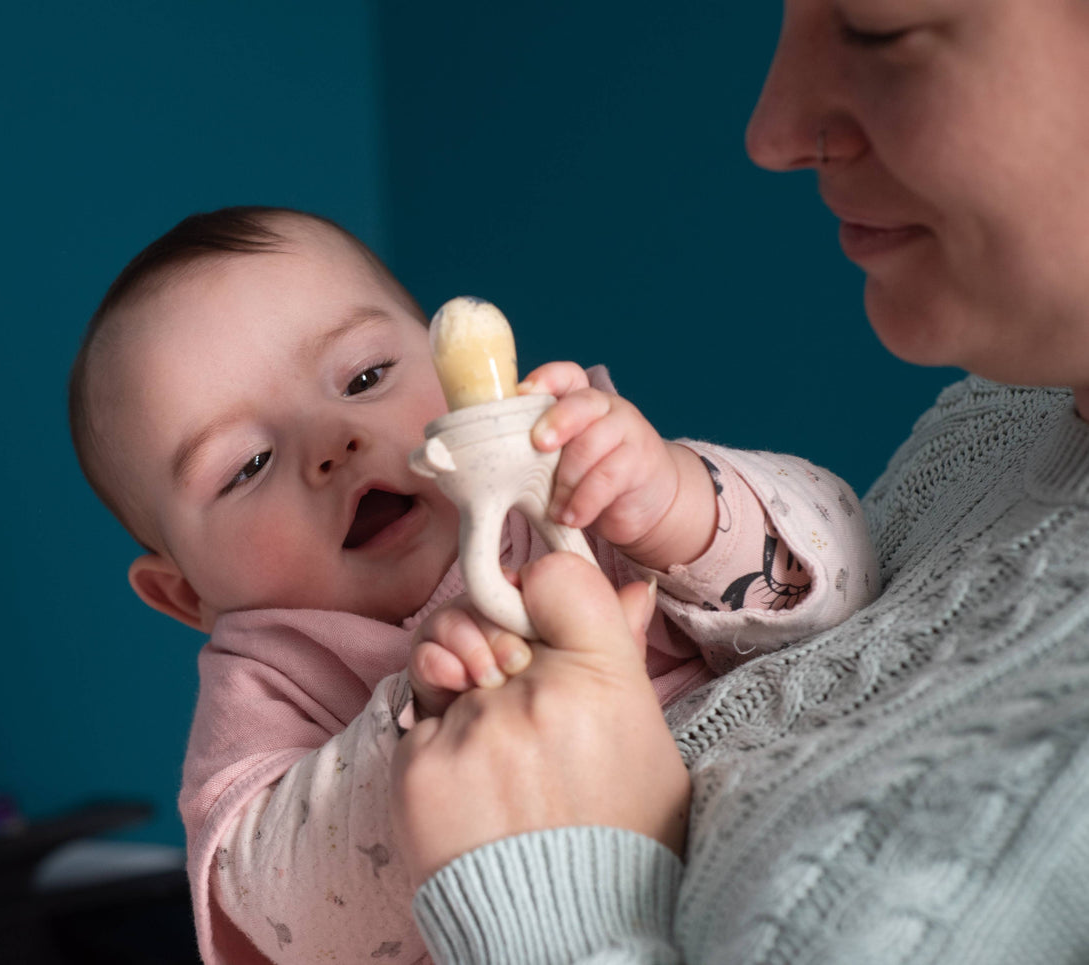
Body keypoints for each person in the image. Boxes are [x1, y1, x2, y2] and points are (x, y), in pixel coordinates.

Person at [389, 1, 1089, 962]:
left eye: (877, 24)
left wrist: (545, 893)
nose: (768, 133)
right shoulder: (1001, 422)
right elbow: (820, 614)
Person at [66, 205, 878, 964]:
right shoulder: (269, 674)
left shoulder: (578, 477)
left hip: (781, 864)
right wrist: (427, 721)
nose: (333, 442)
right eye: (246, 465)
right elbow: (282, 919)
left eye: (364, 377)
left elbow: (842, 574)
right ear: (185, 596)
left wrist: (678, 504)